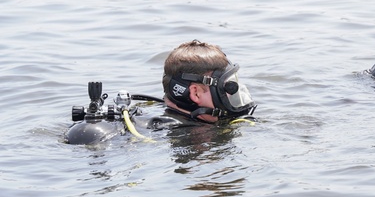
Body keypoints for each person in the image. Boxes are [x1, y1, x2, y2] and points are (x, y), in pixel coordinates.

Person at [65, 40, 257, 145]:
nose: (232, 94)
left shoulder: (148, 114)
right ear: (196, 93)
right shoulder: (191, 136)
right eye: (226, 87)